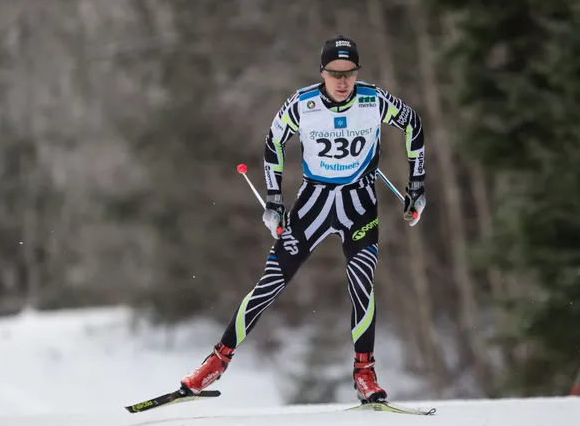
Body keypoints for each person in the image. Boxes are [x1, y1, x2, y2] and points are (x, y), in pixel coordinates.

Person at [178, 35, 427, 404]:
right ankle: (215, 362)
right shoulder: (303, 103)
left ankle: (365, 373)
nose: (342, 82)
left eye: (349, 73)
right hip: (313, 204)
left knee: (362, 283)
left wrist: (417, 187)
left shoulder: (375, 100)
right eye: (334, 73)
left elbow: (414, 126)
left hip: (360, 205)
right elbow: (273, 143)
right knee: (270, 283)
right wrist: (275, 201)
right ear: (322, 73)